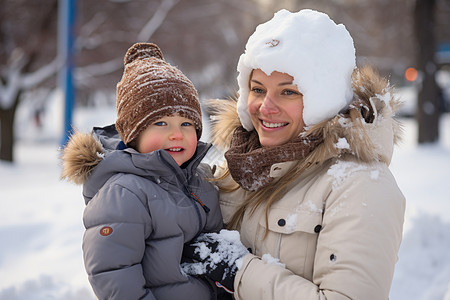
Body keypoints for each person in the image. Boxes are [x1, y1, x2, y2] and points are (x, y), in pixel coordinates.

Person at [183, 9, 406, 300]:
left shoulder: (359, 184)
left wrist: (238, 270)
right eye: (257, 89)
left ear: (323, 98)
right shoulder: (239, 166)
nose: (265, 107)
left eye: (288, 92)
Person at [61, 43, 227, 300]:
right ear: (133, 135)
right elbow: (113, 274)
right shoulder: (124, 193)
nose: (177, 134)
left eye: (186, 123)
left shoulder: (202, 179)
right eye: (161, 123)